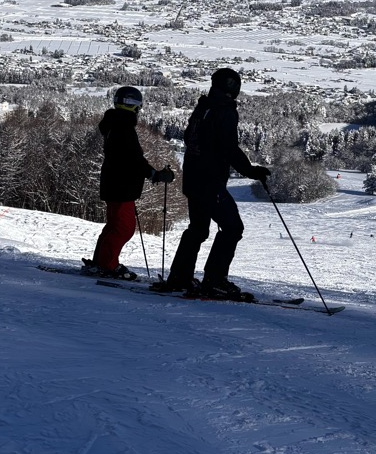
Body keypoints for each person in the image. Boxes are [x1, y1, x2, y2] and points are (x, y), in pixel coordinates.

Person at [161, 67, 270, 298]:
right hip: (209, 181)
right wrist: (251, 171)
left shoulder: (203, 107)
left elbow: (189, 137)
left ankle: (180, 277)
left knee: (198, 229)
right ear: (233, 87)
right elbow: (228, 147)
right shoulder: (224, 110)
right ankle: (215, 280)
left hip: (192, 178)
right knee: (232, 227)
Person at [84, 86, 173, 279]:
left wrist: (151, 173)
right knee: (123, 228)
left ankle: (101, 262)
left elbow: (130, 158)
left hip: (114, 183)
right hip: (121, 185)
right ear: (133, 106)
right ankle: (107, 265)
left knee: (114, 226)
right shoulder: (123, 127)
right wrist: (155, 174)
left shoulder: (114, 124)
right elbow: (133, 159)